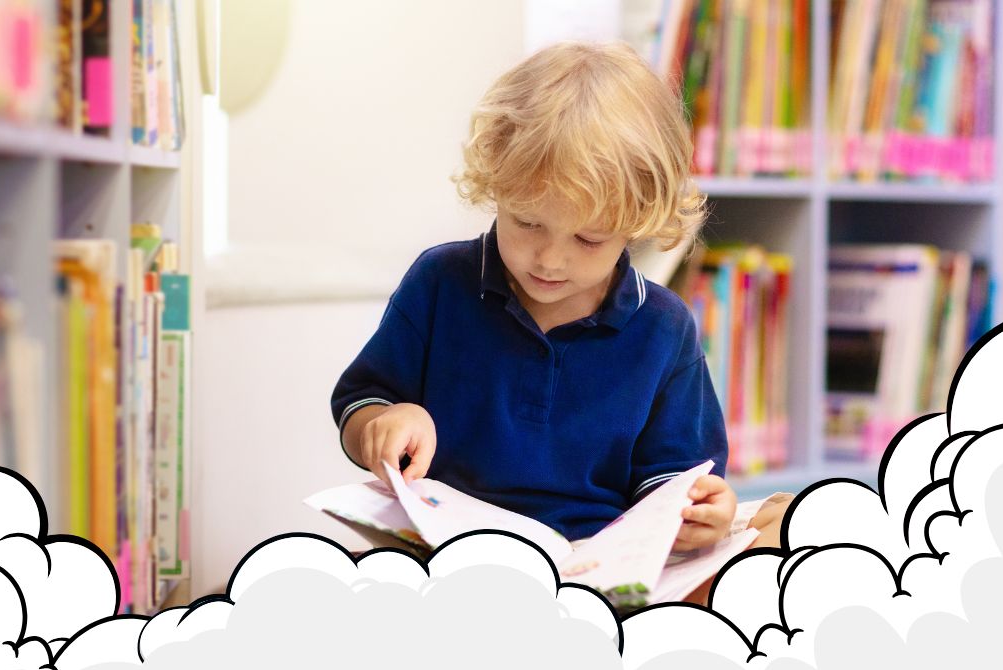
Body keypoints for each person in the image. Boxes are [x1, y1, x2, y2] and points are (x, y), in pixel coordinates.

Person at [329, 41, 790, 601]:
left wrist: (698, 511)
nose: (549, 259)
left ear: (637, 221)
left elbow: (673, 483)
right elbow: (361, 403)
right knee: (339, 581)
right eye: (526, 223)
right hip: (447, 553)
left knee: (784, 525)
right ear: (496, 187)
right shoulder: (440, 282)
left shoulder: (664, 329)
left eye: (588, 239)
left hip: (593, 569)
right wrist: (382, 421)